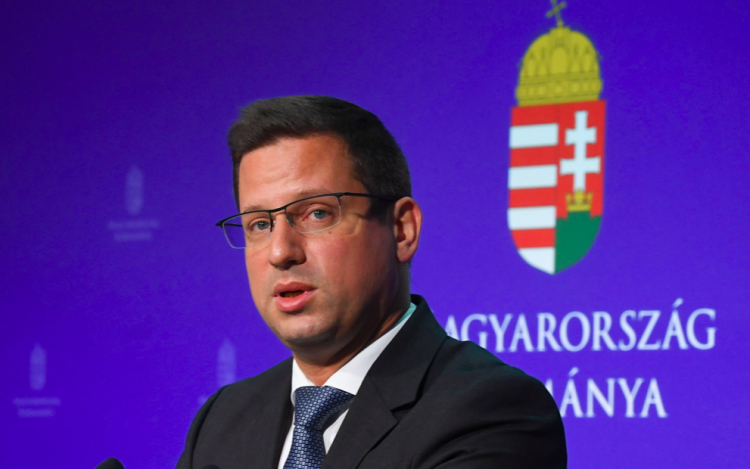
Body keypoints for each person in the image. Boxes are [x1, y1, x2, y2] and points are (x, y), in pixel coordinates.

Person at [176, 95, 566, 469]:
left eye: (317, 213)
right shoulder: (223, 420)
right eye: (260, 224)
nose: (280, 252)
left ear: (401, 230)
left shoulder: (491, 411)